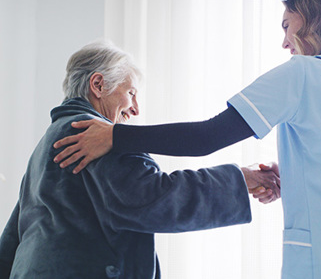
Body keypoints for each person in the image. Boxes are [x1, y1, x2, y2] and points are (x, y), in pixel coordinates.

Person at [52, 0, 321, 278]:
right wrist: (294, 176)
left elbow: (208, 136)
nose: (284, 42)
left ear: (312, 20)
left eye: (285, 25)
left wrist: (115, 136)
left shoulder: (303, 72)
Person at [0, 40, 281, 279]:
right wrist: (239, 180)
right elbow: (151, 198)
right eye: (131, 93)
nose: (135, 109)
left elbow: (14, 233)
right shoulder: (95, 135)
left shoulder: (48, 141)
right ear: (98, 84)